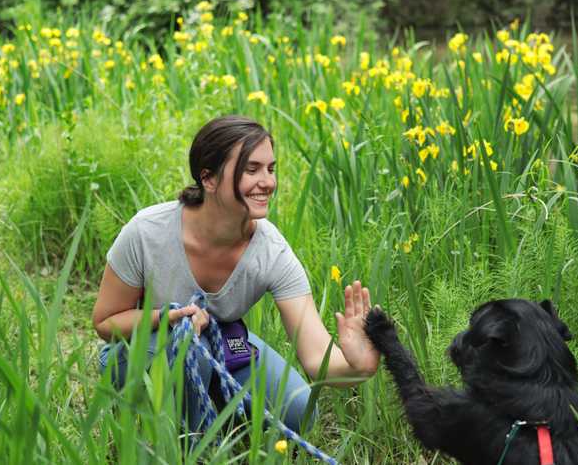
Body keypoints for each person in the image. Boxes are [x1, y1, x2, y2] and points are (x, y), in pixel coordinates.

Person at [92, 115, 380, 434]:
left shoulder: (271, 252)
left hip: (221, 344)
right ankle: (188, 443)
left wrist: (358, 367)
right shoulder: (147, 232)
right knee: (189, 344)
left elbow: (316, 360)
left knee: (299, 413)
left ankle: (216, 406)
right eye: (251, 169)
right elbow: (105, 323)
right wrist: (168, 317)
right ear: (209, 179)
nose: (267, 181)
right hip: (139, 352)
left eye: (271, 169)